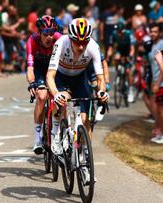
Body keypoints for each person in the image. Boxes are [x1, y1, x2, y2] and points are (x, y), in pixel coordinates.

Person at [46, 18, 108, 155]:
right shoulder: (61, 43)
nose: (81, 47)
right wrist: (56, 94)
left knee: (86, 119)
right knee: (62, 100)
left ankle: (85, 157)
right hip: (61, 78)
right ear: (70, 38)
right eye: (77, 42)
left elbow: (100, 77)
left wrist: (102, 91)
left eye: (84, 42)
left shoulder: (93, 46)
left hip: (79, 78)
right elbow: (50, 76)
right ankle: (55, 134)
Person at [26, 16, 62, 154]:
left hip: (55, 69)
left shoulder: (59, 39)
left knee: (60, 97)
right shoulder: (32, 41)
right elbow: (30, 68)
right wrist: (32, 83)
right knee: (41, 96)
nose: (49, 37)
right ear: (39, 33)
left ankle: (58, 133)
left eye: (52, 32)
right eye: (45, 34)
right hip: (40, 69)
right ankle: (37, 139)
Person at [107, 22, 135, 102]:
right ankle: (118, 72)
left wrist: (130, 56)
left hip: (128, 50)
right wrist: (108, 56)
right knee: (116, 58)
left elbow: (132, 48)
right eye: (117, 31)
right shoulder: (114, 34)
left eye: (120, 31)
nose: (118, 33)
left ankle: (130, 90)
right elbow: (110, 47)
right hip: (120, 50)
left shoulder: (129, 34)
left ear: (123, 30)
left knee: (128, 71)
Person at [1, 5, 25, 71]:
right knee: (10, 48)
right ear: (10, 10)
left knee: (18, 45)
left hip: (10, 36)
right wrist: (19, 22)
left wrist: (19, 35)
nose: (15, 11)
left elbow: (13, 30)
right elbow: (9, 28)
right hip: (4, 36)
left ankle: (18, 63)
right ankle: (8, 64)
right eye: (14, 10)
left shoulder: (12, 18)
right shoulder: (4, 16)